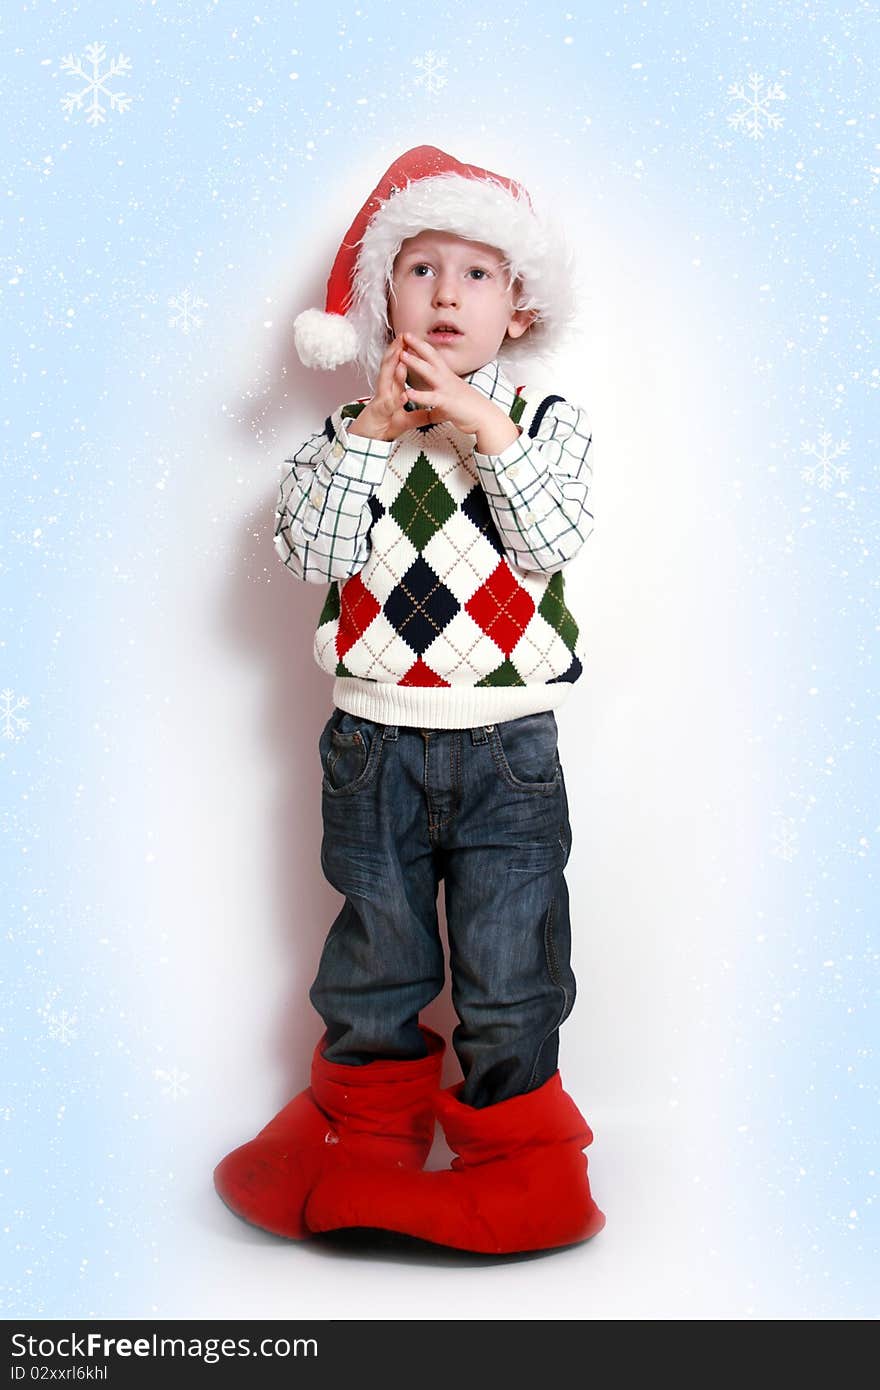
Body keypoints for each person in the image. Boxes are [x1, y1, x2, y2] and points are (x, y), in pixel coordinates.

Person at [213, 145, 605, 1254]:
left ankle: (522, 1162)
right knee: (376, 949)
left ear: (518, 307)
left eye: (474, 273)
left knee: (509, 958)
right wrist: (377, 436)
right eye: (419, 268)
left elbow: (554, 537)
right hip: (372, 745)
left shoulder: (545, 423)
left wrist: (484, 432)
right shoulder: (351, 436)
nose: (444, 293)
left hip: (505, 750)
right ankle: (361, 1136)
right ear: (382, 297)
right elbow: (311, 550)